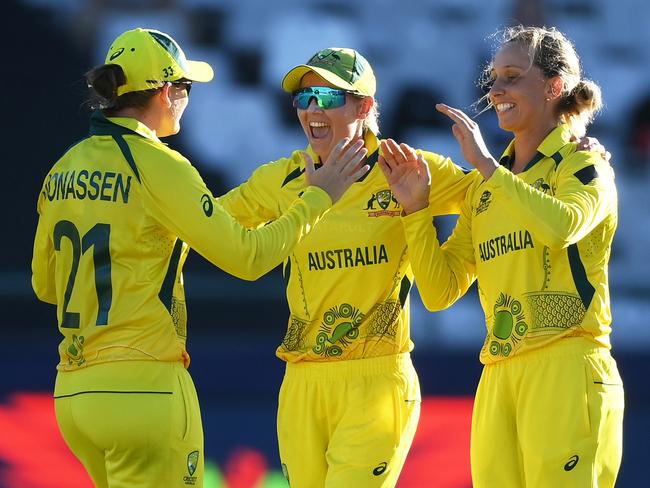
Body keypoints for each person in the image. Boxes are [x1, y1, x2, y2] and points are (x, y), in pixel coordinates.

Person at [30, 29, 368, 488]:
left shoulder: (63, 168)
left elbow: (46, 286)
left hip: (72, 392)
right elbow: (248, 260)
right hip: (143, 388)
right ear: (167, 92)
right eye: (186, 88)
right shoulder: (161, 164)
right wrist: (316, 198)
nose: (188, 99)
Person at [379, 25, 624, 487]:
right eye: (493, 78)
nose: (496, 90)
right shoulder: (484, 190)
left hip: (567, 364)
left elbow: (562, 227)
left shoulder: (584, 165)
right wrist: (416, 211)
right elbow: (439, 291)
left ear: (554, 87)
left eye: (512, 76)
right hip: (497, 372)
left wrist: (489, 167)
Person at [217, 47, 474, 486]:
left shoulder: (406, 167)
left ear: (365, 106)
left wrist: (568, 149)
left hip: (376, 379)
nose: (313, 109)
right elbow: (204, 224)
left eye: (328, 96)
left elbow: (489, 195)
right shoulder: (281, 179)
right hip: (301, 380)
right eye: (304, 98)